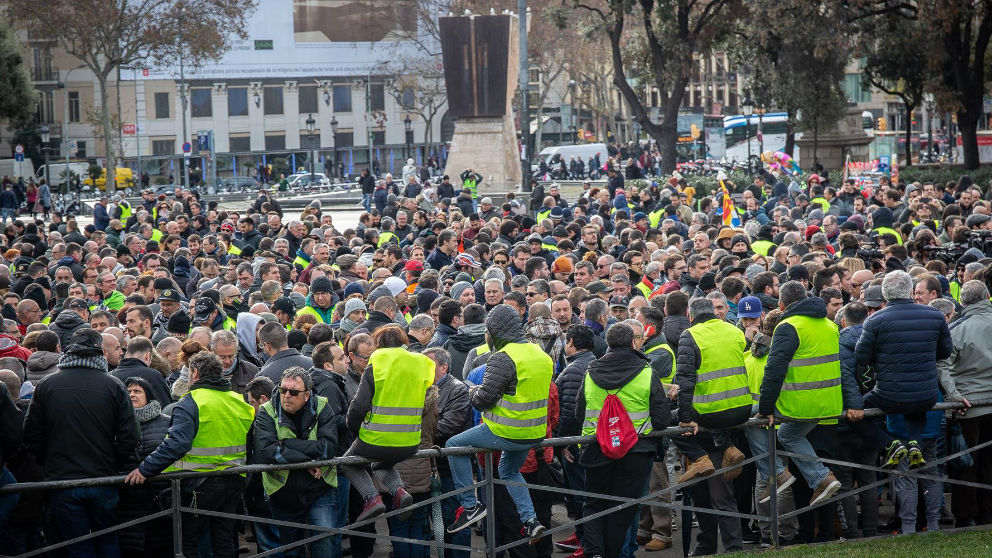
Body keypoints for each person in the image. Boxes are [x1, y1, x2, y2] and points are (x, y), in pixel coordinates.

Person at [125, 351, 255, 558]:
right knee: (224, 541)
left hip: (199, 483)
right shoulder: (238, 400)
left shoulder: (191, 401)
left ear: (194, 373)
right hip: (233, 480)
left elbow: (177, 444)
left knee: (187, 542)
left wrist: (145, 468)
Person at [24, 328, 140, 557]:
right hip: (102, 477)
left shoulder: (47, 386)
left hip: (63, 480)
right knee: (106, 538)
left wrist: (49, 461)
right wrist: (113, 461)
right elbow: (130, 436)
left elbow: (31, 434)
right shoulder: (113, 385)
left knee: (75, 544)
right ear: (100, 354)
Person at [444, 304, 552, 539]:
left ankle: (471, 507)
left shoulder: (503, 357)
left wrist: (470, 389)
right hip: (533, 434)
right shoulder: (541, 354)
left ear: (494, 330)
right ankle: (531, 520)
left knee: (453, 446)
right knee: (508, 470)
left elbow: (483, 400)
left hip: (505, 431)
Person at [573, 323, 670, 558]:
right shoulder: (647, 372)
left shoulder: (590, 373)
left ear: (608, 344)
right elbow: (661, 418)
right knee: (623, 508)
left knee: (594, 504)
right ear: (632, 343)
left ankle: (595, 552)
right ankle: (613, 553)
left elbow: (579, 413)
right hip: (636, 451)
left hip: (597, 448)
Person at [747, 280, 844, 509]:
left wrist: (766, 408)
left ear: (781, 305)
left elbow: (774, 369)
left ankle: (776, 473)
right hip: (829, 403)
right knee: (789, 435)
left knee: (750, 418)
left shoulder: (788, 325)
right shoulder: (830, 325)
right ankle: (821, 478)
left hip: (801, 402)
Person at [855, 270, 952, 469]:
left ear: (885, 294)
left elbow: (861, 357)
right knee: (915, 406)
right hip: (926, 393)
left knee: (855, 413)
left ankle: (889, 445)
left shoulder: (874, 320)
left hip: (889, 394)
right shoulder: (935, 315)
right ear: (910, 291)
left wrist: (880, 359)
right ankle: (914, 443)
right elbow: (945, 352)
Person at [341, 324, 436, 521]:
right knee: (381, 465)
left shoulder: (377, 364)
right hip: (410, 442)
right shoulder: (423, 364)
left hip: (375, 439)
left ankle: (372, 499)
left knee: (347, 463)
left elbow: (359, 406)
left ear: (378, 345)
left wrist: (355, 429)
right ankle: (399, 491)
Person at [254, 366, 341, 558]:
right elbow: (266, 453)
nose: (287, 395)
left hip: (320, 486)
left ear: (307, 395)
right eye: (283, 389)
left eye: (294, 392)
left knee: (326, 538)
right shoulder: (267, 411)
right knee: (291, 549)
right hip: (282, 491)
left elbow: (328, 448)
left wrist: (286, 443)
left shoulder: (322, 406)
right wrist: (310, 460)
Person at [937, 280, 992, 527]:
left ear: (962, 301)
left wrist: (953, 395)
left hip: (967, 406)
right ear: (988, 296)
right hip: (981, 402)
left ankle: (967, 515)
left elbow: (943, 365)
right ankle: (986, 513)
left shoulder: (958, 328)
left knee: (966, 464)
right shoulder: (960, 327)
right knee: (988, 461)